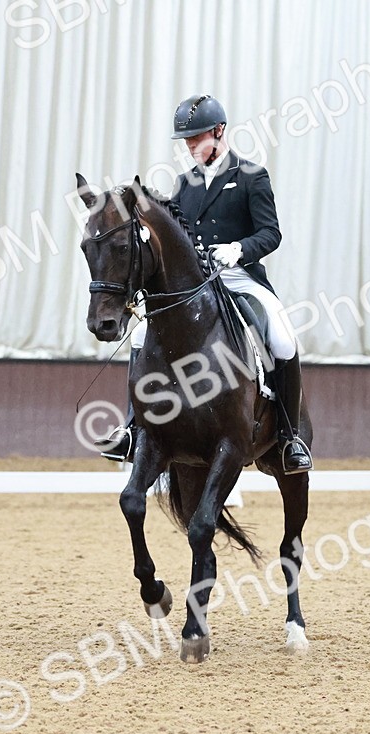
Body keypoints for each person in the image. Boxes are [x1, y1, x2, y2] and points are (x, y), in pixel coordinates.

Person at [95, 93, 313, 474]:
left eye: (197, 138)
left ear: (219, 131)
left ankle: (289, 436)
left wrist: (239, 249)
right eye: (187, 141)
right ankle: (133, 428)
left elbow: (271, 233)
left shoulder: (251, 176)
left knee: (282, 337)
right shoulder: (184, 184)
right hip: (196, 283)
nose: (191, 147)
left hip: (240, 276)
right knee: (139, 337)